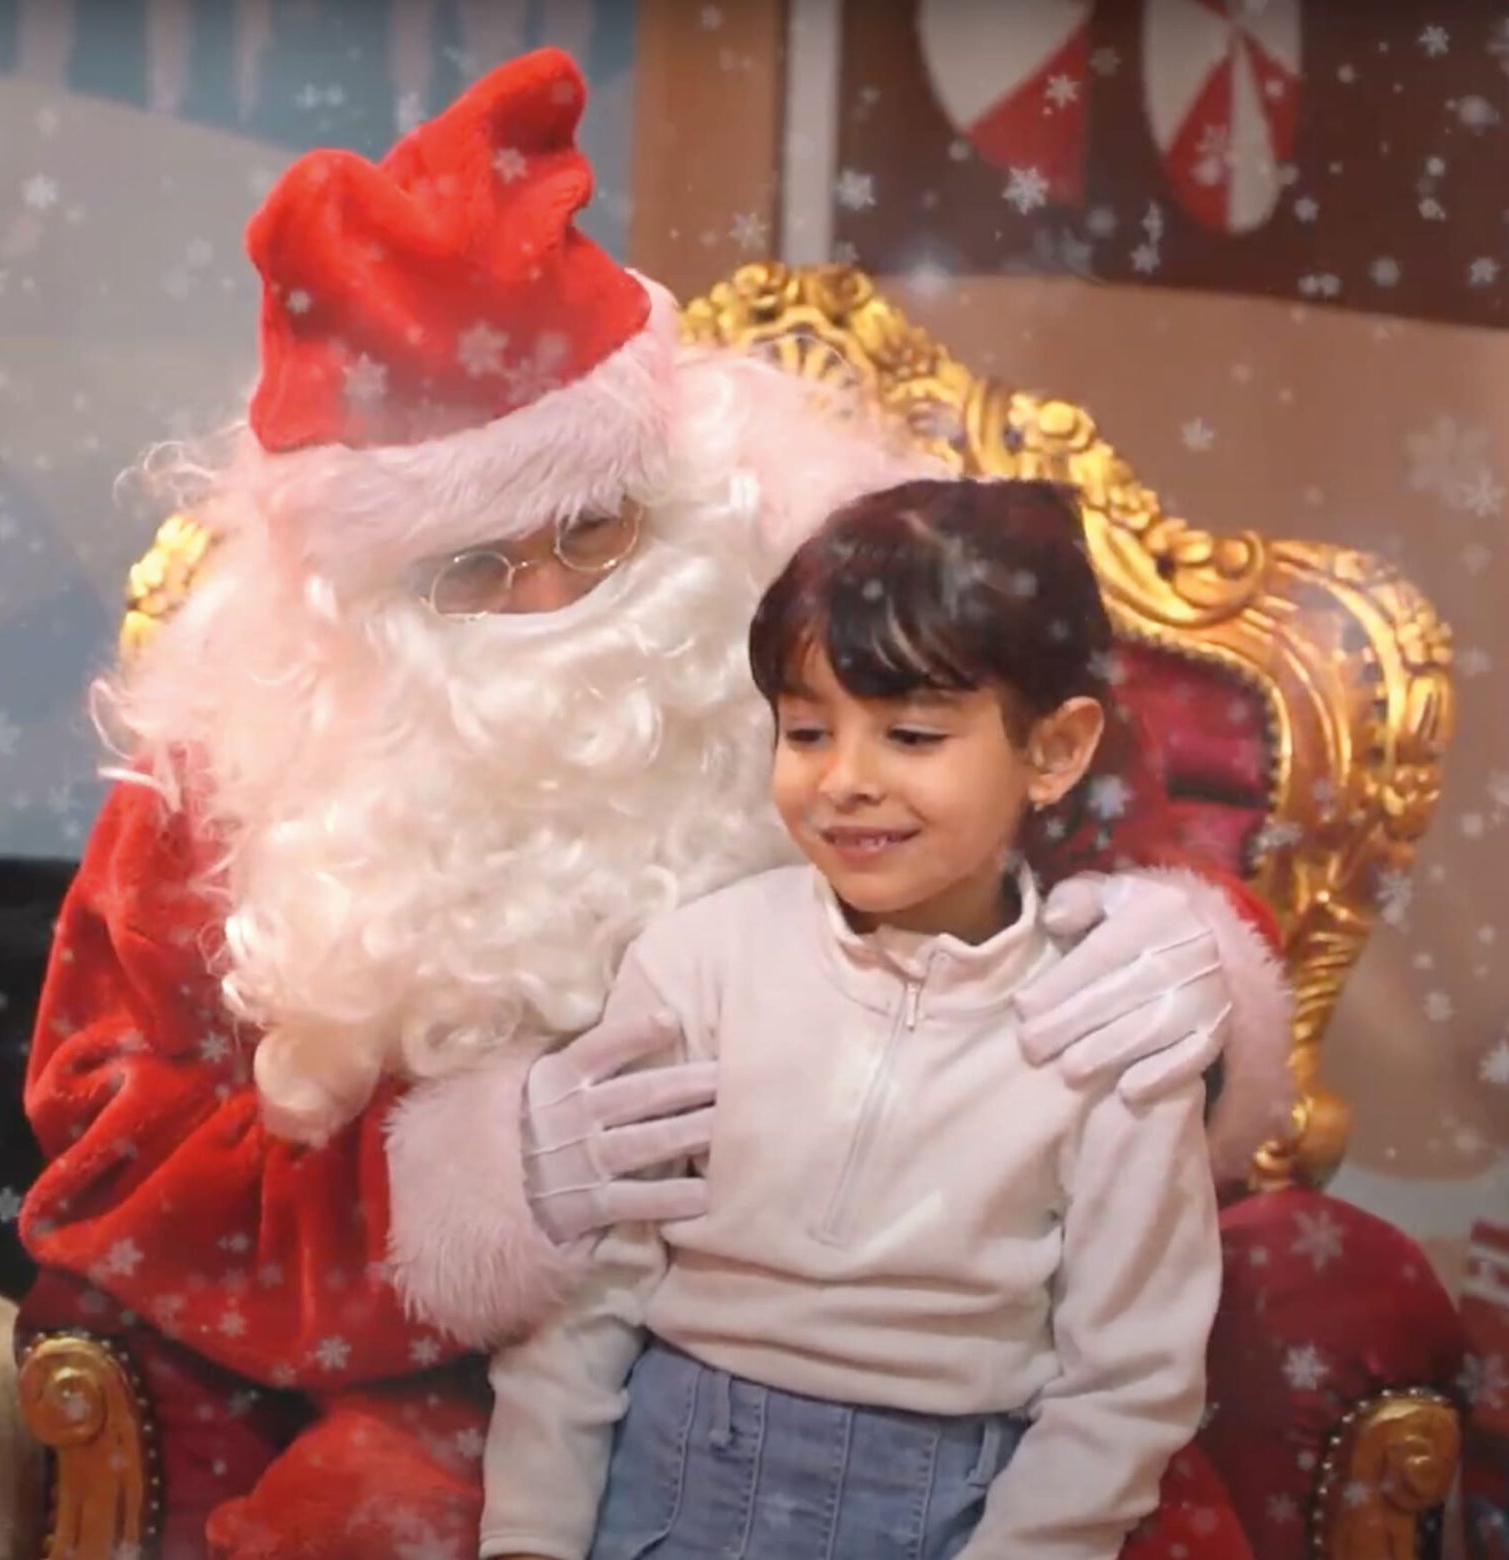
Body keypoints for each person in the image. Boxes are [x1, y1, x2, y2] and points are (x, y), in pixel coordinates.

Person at [18, 47, 1291, 1560]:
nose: (551, 600)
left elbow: (1110, 834)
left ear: (677, 466)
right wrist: (448, 1197)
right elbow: (108, 1149)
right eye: (472, 570)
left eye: (593, 525)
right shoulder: (247, 751)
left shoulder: (841, 603)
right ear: (355, 588)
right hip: (463, 1374)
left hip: (967, 1365)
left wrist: (1187, 958)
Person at [482, 478, 1225, 1560]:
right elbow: (584, 1304)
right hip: (672, 1483)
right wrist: (528, 1537)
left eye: (911, 735)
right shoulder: (697, 965)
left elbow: (1129, 1381)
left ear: (1055, 750)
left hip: (945, 1510)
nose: (843, 781)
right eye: (806, 731)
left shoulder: (1107, 1024)